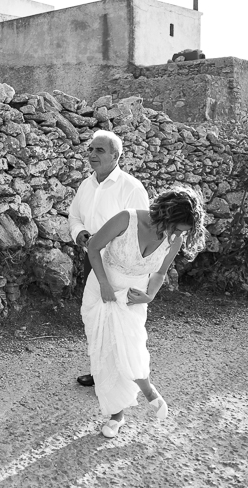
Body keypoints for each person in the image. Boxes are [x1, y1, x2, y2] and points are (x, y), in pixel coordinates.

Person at [82, 186, 207, 438]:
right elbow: (93, 247)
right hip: (102, 288)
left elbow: (160, 272)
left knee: (131, 344)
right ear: (166, 214)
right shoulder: (125, 219)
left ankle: (148, 390)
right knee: (106, 349)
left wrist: (149, 296)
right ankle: (117, 415)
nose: (177, 234)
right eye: (176, 227)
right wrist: (105, 284)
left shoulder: (176, 238)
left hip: (133, 297)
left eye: (183, 231)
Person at [68, 130, 150, 388]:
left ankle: (126, 377)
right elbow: (74, 216)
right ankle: (99, 372)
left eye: (99, 150)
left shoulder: (132, 188)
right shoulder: (86, 184)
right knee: (95, 318)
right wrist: (79, 233)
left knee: (121, 322)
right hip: (91, 260)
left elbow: (142, 230)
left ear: (116, 155)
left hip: (120, 266)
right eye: (90, 149)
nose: (91, 155)